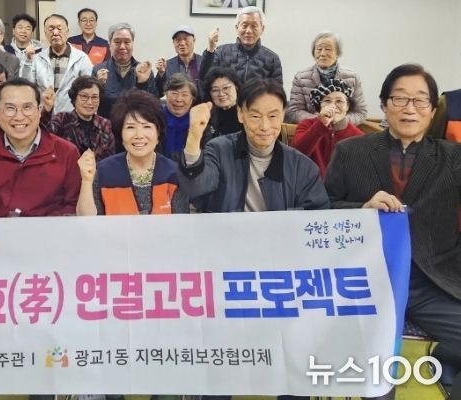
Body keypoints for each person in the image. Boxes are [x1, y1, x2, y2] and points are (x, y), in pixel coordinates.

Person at [325, 64, 461, 400]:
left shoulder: (453, 157)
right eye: (400, 98)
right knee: (377, 374)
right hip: (366, 284)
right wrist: (362, 209)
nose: (410, 108)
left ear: (433, 110)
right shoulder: (350, 151)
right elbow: (323, 210)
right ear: (384, 104)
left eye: (420, 100)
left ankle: (445, 362)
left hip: (431, 281)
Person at [179, 78, 329, 213]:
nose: (264, 126)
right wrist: (194, 136)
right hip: (228, 234)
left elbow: (315, 216)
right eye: (255, 116)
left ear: (283, 114)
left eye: (272, 116)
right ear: (240, 114)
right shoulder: (218, 150)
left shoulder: (302, 167)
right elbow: (195, 188)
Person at [0, 78, 81, 217]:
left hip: (47, 230)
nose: (19, 117)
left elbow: (74, 206)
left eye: (27, 107)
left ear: (39, 111)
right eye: (10, 108)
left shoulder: (66, 152)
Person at [77, 90, 189, 215]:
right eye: (130, 127)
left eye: (146, 126)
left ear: (158, 133)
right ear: (121, 133)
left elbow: (180, 222)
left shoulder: (174, 173)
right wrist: (86, 181)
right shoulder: (103, 172)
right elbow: (87, 221)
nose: (139, 135)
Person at [285, 32, 367, 125]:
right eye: (319, 49)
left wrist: (340, 121)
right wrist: (320, 119)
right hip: (313, 128)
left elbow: (361, 112)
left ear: (338, 53)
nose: (323, 53)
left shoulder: (352, 77)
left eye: (328, 49)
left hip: (343, 130)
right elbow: (294, 111)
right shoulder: (301, 77)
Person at [20, 13, 93, 114]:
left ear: (67, 32)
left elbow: (89, 90)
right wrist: (28, 61)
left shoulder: (81, 58)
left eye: (59, 28)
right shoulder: (37, 58)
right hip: (44, 115)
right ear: (45, 33)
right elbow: (26, 87)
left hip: (72, 116)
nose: (55, 32)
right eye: (51, 29)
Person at [292, 78, 364, 177]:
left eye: (339, 101)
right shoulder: (306, 125)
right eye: (327, 101)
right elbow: (297, 154)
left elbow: (360, 171)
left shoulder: (358, 136)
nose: (333, 106)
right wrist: (321, 124)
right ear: (319, 106)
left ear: (347, 106)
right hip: (309, 183)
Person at [198, 6, 283, 88]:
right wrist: (210, 49)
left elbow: (277, 92)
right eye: (244, 25)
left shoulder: (272, 59)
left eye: (254, 26)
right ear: (236, 28)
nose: (248, 31)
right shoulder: (221, 52)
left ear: (262, 29)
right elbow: (204, 78)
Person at [92, 22, 158, 121]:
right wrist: (99, 86)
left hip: (136, 126)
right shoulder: (98, 70)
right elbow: (91, 104)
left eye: (127, 42)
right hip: (107, 127)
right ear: (110, 44)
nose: (122, 46)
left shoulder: (144, 70)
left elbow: (153, 105)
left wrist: (143, 83)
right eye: (117, 42)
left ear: (132, 44)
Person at [41, 75, 115, 161]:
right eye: (84, 96)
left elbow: (110, 159)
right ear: (74, 98)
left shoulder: (105, 125)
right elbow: (44, 137)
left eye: (94, 97)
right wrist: (47, 110)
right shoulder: (62, 119)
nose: (90, 102)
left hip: (98, 169)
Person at [155, 25, 204, 99]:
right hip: (177, 104)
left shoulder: (203, 62)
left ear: (194, 40)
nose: (182, 43)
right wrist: (161, 74)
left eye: (185, 39)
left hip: (200, 105)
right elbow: (158, 93)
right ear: (173, 43)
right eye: (178, 40)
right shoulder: (167, 65)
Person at [161, 73, 197, 161]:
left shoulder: (198, 124)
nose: (178, 99)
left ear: (192, 99)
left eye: (185, 95)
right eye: (174, 93)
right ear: (166, 95)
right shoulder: (155, 120)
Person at [203, 67, 243, 141]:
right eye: (215, 90)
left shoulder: (247, 113)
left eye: (226, 88)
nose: (221, 94)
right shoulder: (207, 117)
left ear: (236, 87)